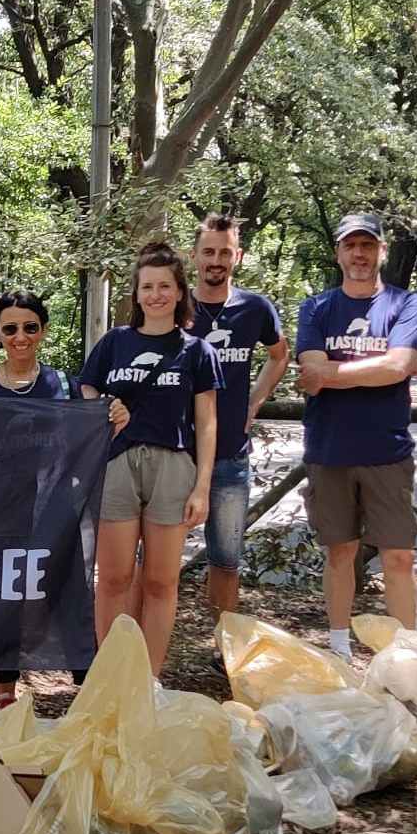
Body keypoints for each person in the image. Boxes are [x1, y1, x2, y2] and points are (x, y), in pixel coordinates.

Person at [78, 242, 222, 676]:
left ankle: (149, 679)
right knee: (116, 578)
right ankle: (110, 675)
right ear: (137, 295)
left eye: (164, 286)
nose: (156, 294)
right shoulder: (115, 343)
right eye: (147, 287)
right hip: (118, 463)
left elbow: (208, 421)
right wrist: (105, 404)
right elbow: (86, 390)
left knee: (161, 581)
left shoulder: (196, 351)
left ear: (180, 293)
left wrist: (203, 487)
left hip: (174, 467)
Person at [295, 213, 417, 659]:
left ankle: (407, 653)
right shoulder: (316, 308)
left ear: (382, 251)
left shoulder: (406, 304)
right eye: (350, 246)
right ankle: (338, 647)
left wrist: (335, 371)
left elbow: (397, 367)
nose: (359, 254)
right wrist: (380, 369)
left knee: (399, 557)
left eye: (367, 245)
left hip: (386, 451)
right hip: (329, 449)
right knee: (339, 553)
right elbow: (309, 377)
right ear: (338, 253)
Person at [0, 289, 72, 707]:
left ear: (42, 331)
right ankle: (5, 691)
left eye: (30, 327)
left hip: (49, 506)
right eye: (10, 329)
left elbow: (88, 431)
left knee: (59, 590)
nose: (20, 337)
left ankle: (81, 683)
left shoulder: (61, 383)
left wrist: (114, 414)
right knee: (1, 597)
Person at [189, 214, 288, 673]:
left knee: (225, 558)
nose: (216, 261)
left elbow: (279, 355)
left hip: (230, 453)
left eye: (225, 252)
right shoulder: (173, 306)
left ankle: (223, 646)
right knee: (154, 561)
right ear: (194, 256)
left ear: (238, 256)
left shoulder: (255, 309)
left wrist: (255, 400)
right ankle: (142, 649)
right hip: (175, 453)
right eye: (208, 251)